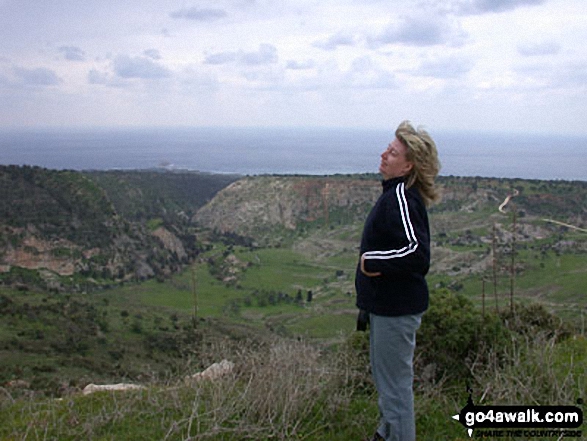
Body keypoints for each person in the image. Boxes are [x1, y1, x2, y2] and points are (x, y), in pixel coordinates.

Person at [355, 120, 441, 441]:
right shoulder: (397, 194)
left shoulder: (402, 196)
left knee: (395, 389)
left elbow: (418, 252)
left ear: (408, 166)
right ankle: (385, 434)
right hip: (386, 307)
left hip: (395, 310)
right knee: (388, 382)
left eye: (392, 152)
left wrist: (371, 262)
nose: (383, 155)